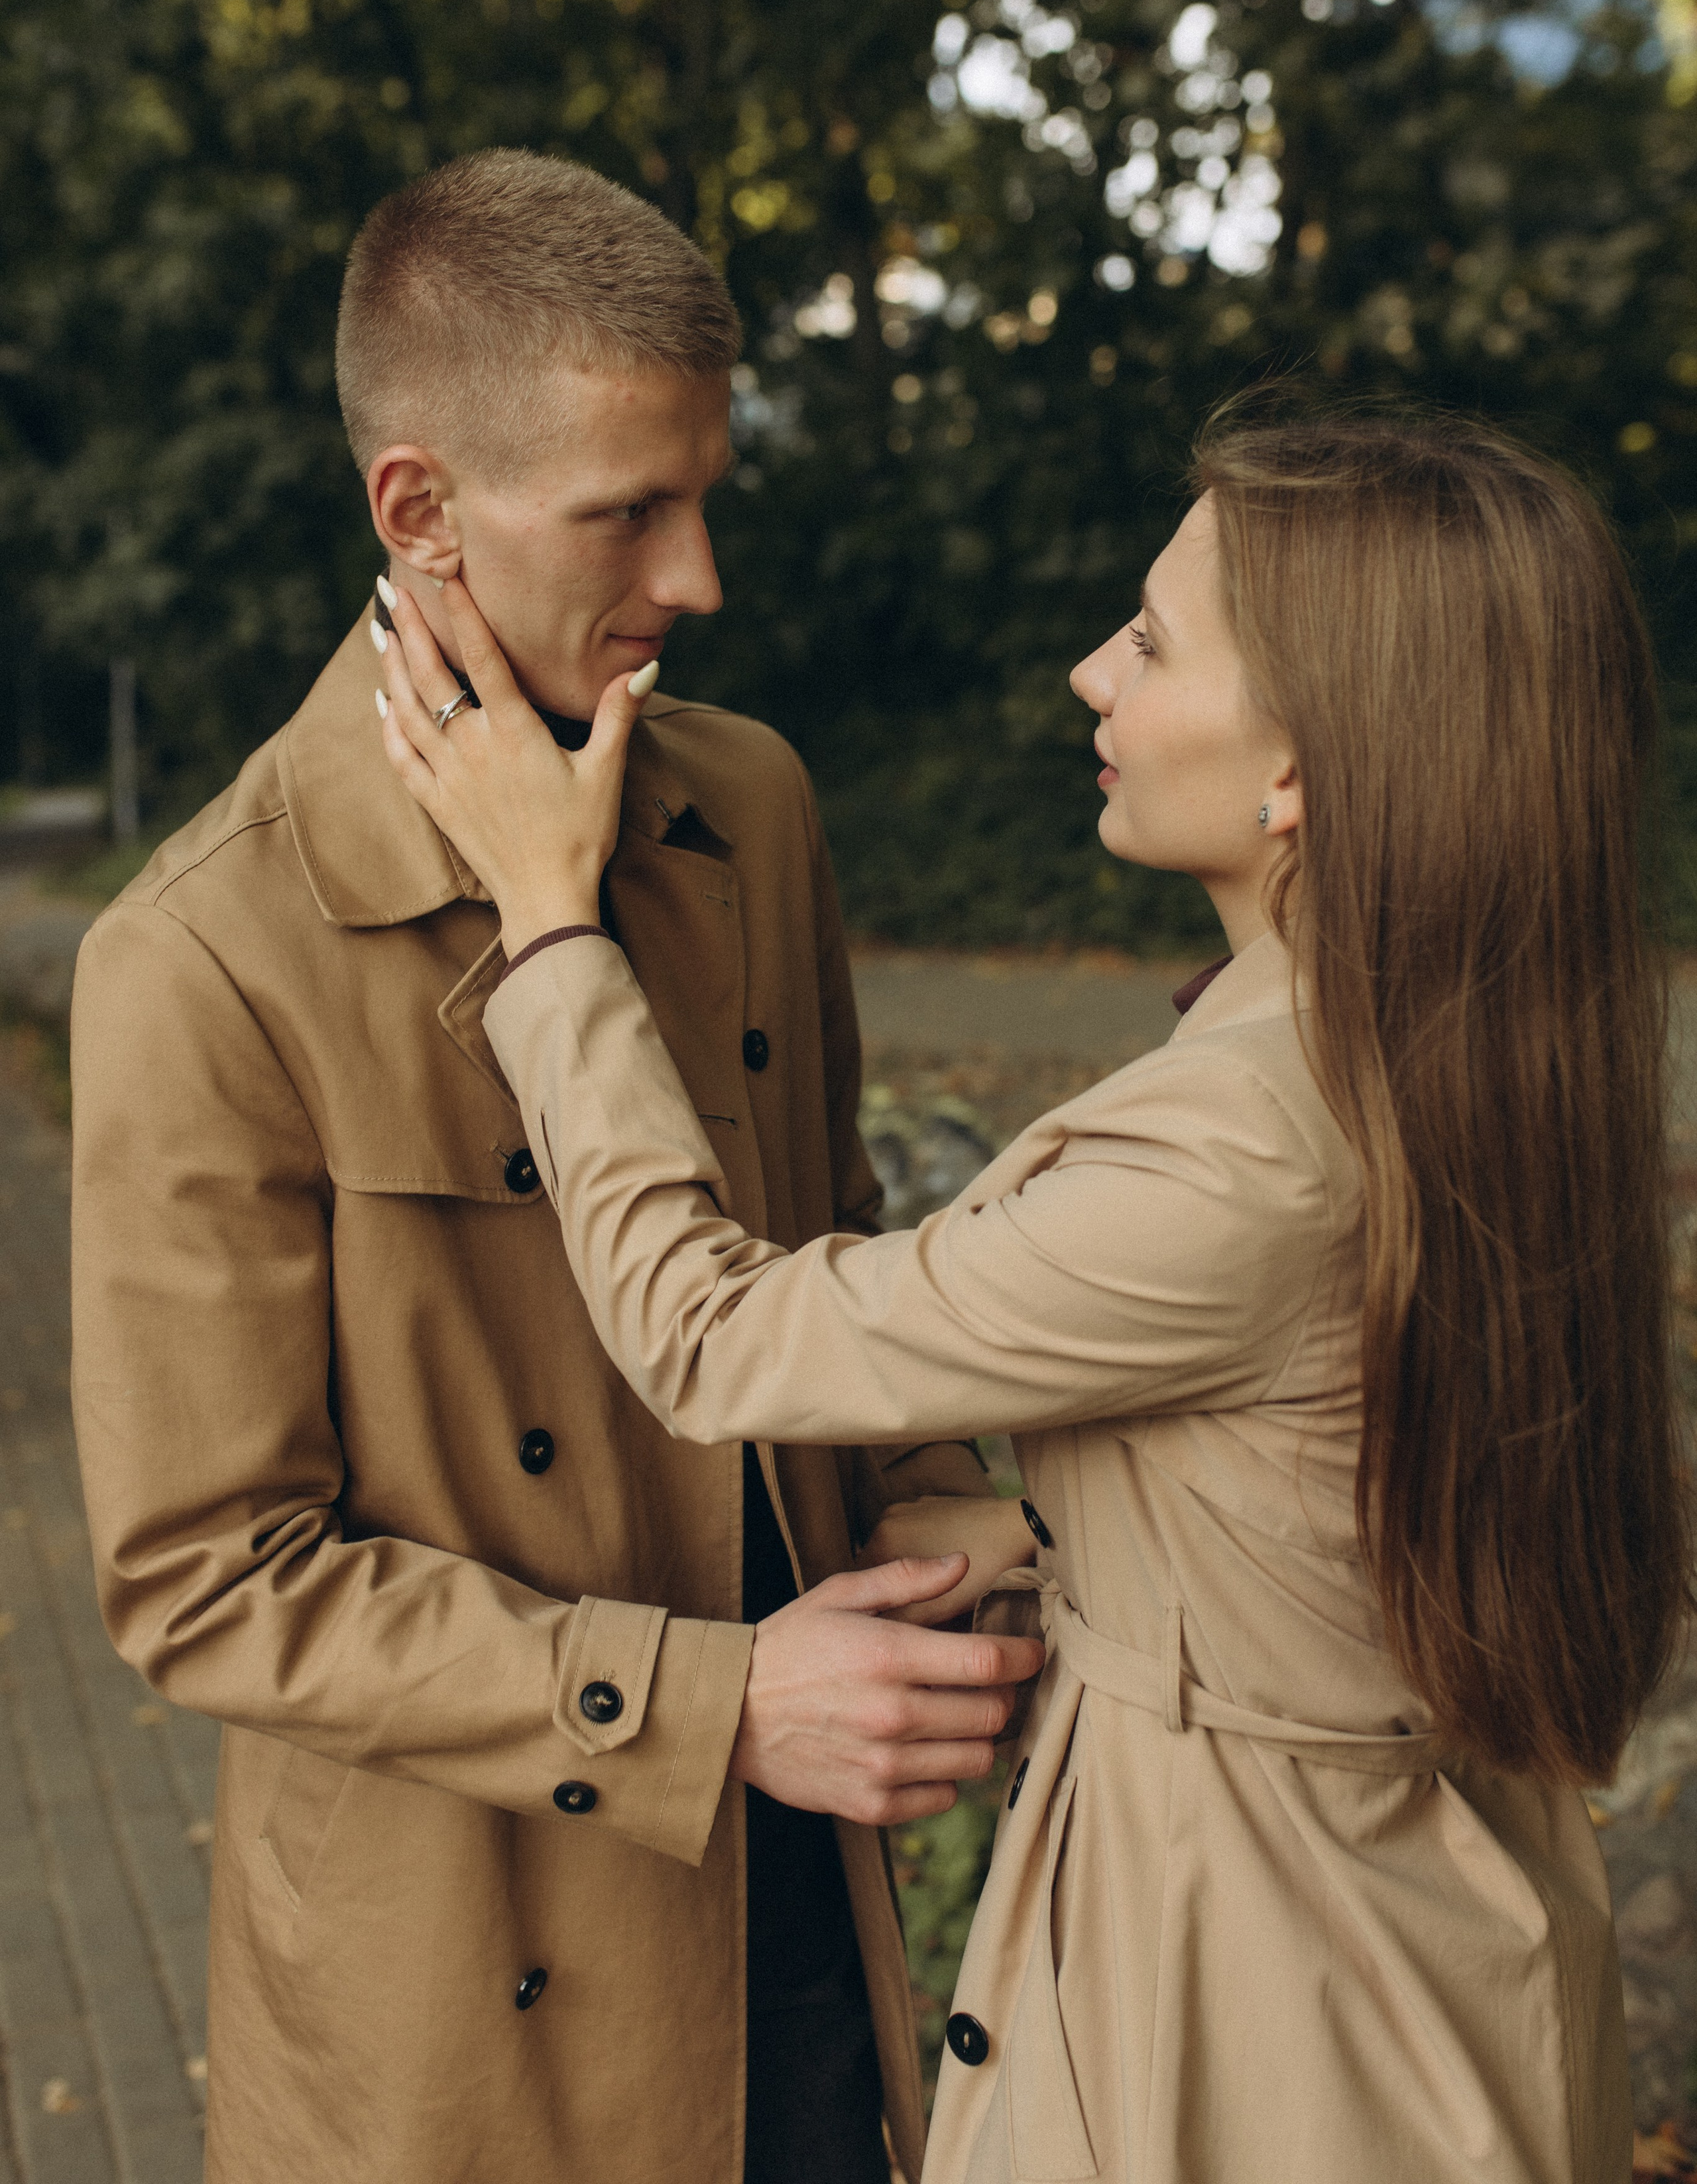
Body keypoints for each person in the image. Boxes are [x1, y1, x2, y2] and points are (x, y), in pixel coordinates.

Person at [374, 396, 1687, 2184]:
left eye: (1151, 641)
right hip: (1430, 1964)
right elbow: (1342, 1485)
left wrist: (549, 928)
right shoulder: (1469, 1058)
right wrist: (1073, 1548)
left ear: (1304, 768)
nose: (1091, 673)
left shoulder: (1239, 1152)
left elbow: (715, 1333)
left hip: (1255, 2017)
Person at [69, 147, 1042, 2184]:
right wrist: (711, 1708)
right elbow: (205, 1584)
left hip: (801, 1935)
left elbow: (839, 1275)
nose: (700, 582)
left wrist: (945, 1530)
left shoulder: (753, 808)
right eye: (630, 511)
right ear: (417, 510)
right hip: (462, 2019)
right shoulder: (201, 954)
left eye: (706, 498)